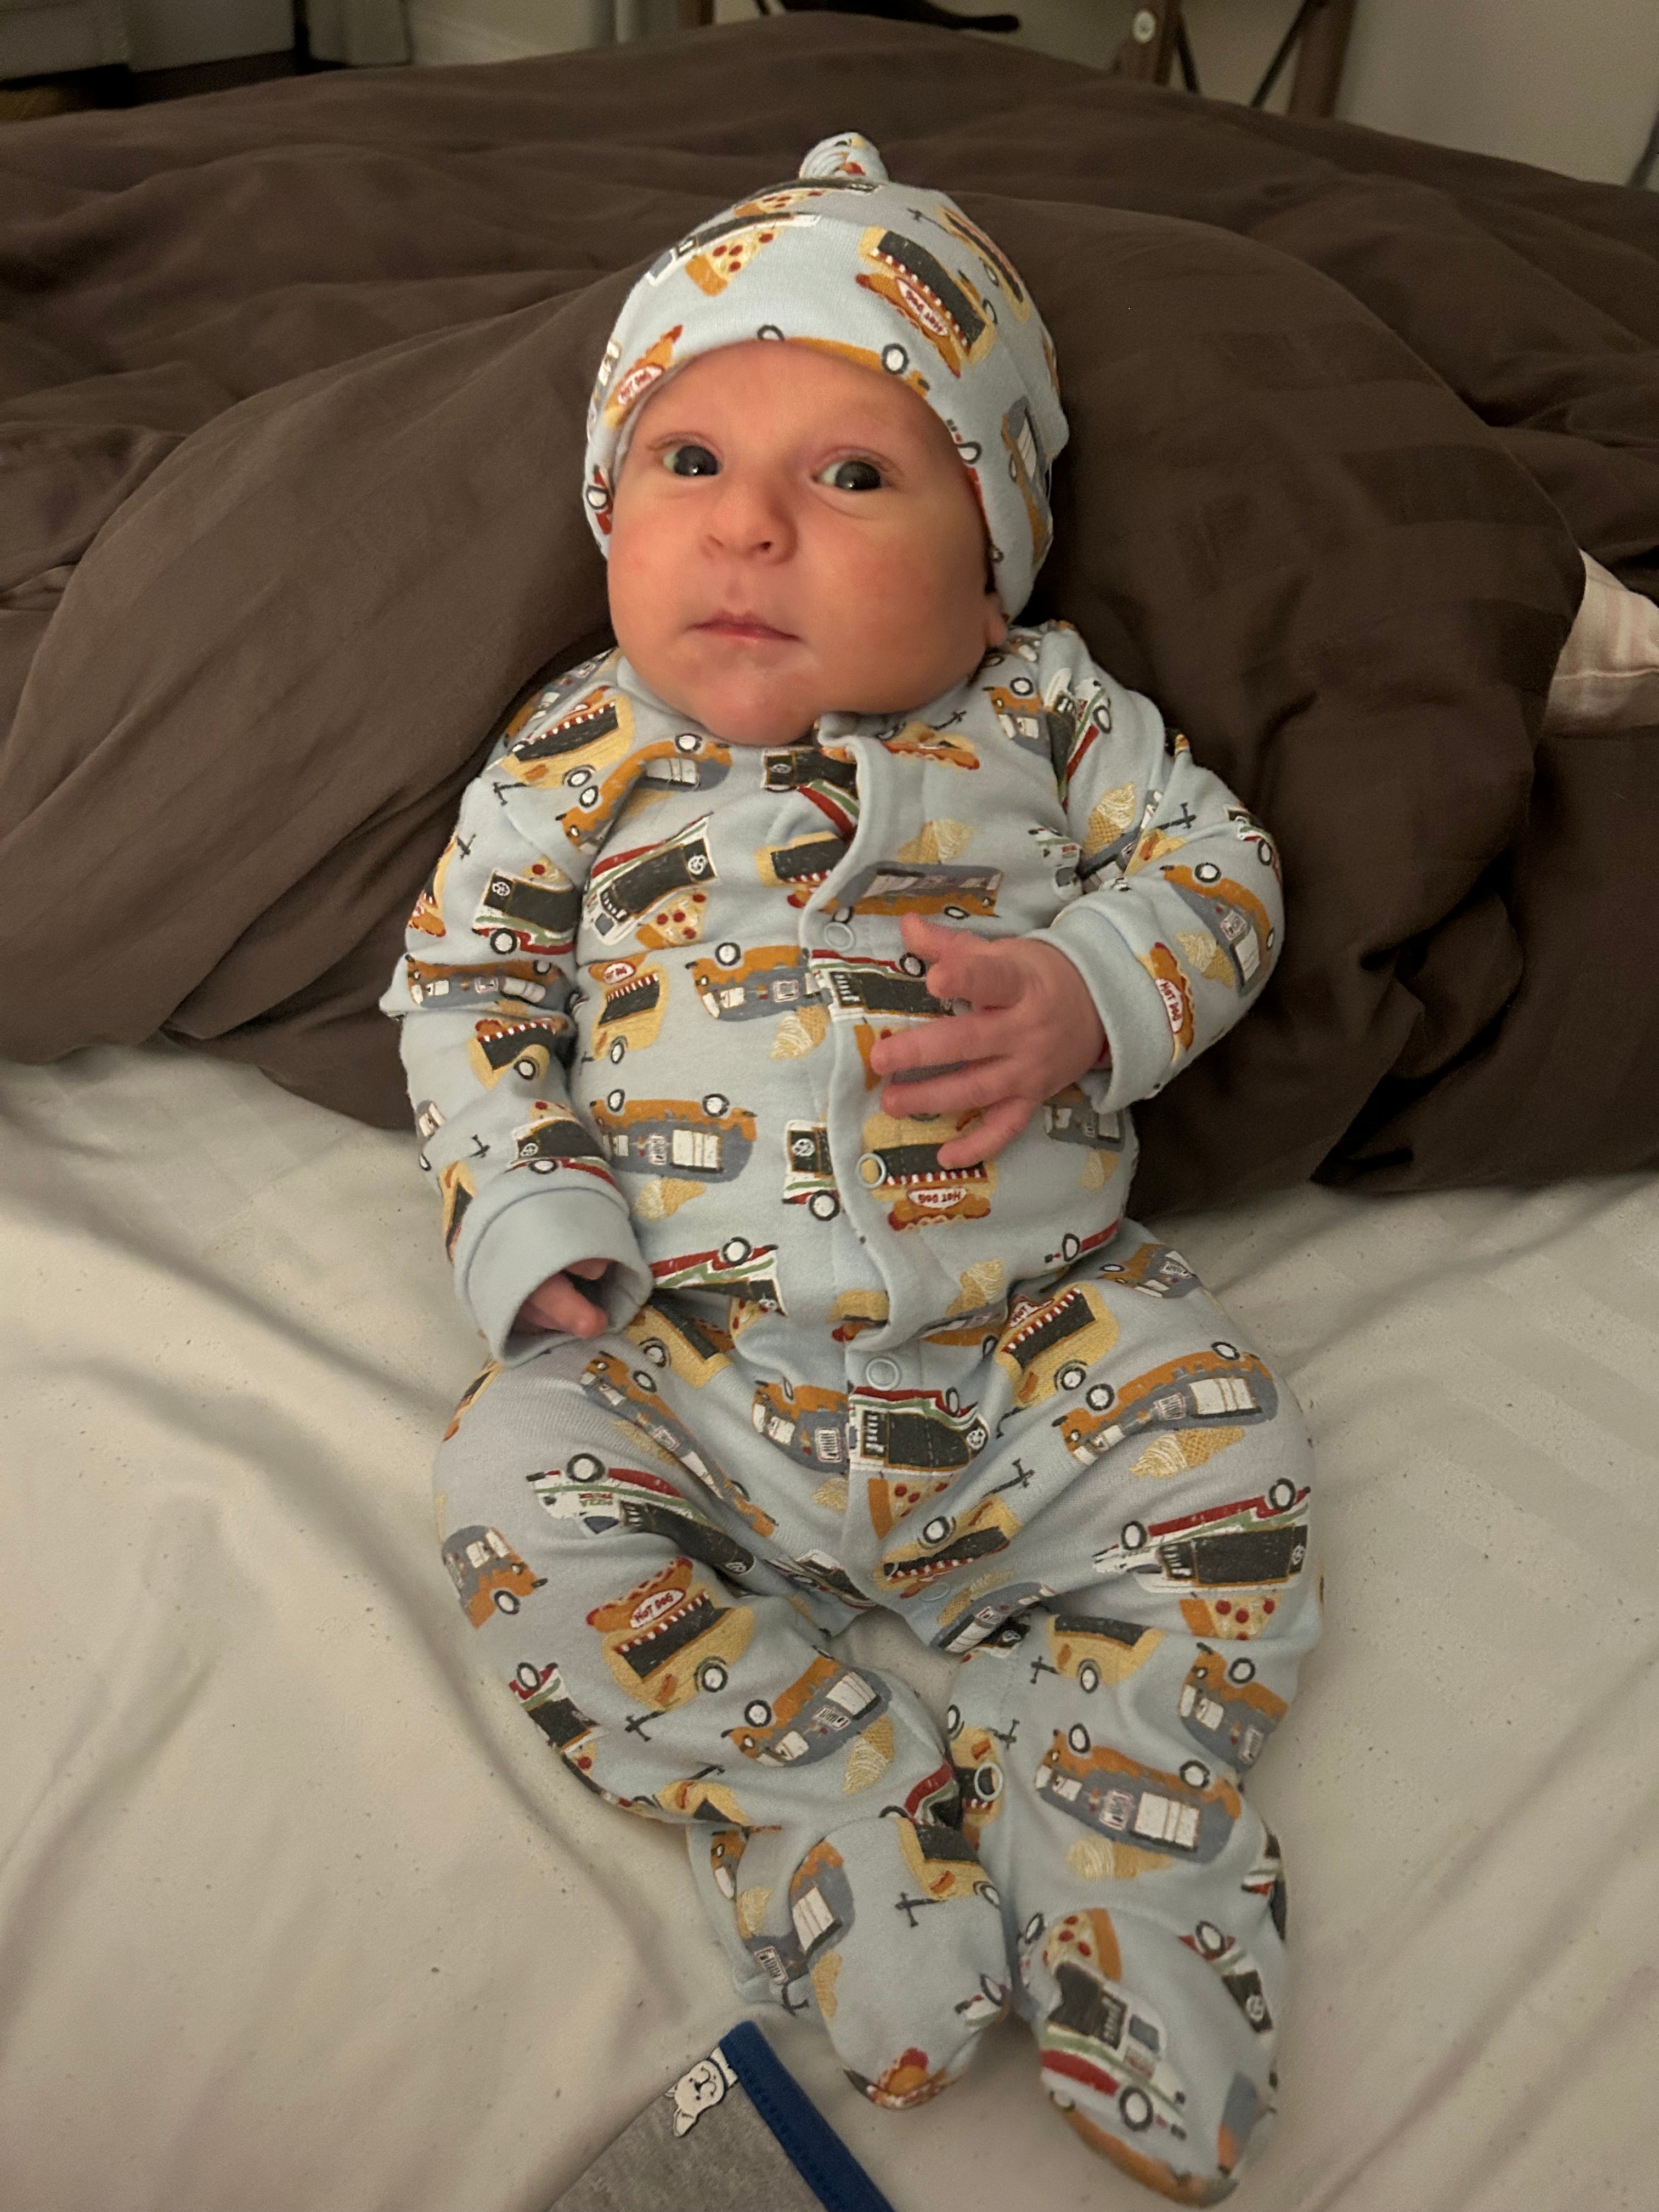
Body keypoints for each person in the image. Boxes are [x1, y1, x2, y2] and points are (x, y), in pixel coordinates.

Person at [381, 131, 1318, 2205]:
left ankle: (1124, 1841)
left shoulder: (1051, 714)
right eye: (689, 461)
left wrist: (1093, 988)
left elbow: (1222, 868)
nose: (750, 526)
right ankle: (833, 1798)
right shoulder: (577, 748)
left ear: (995, 566)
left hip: (1038, 1342)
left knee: (1232, 1454)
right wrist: (532, 1210)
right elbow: (461, 981)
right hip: (693, 1362)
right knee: (513, 1478)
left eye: (855, 474)